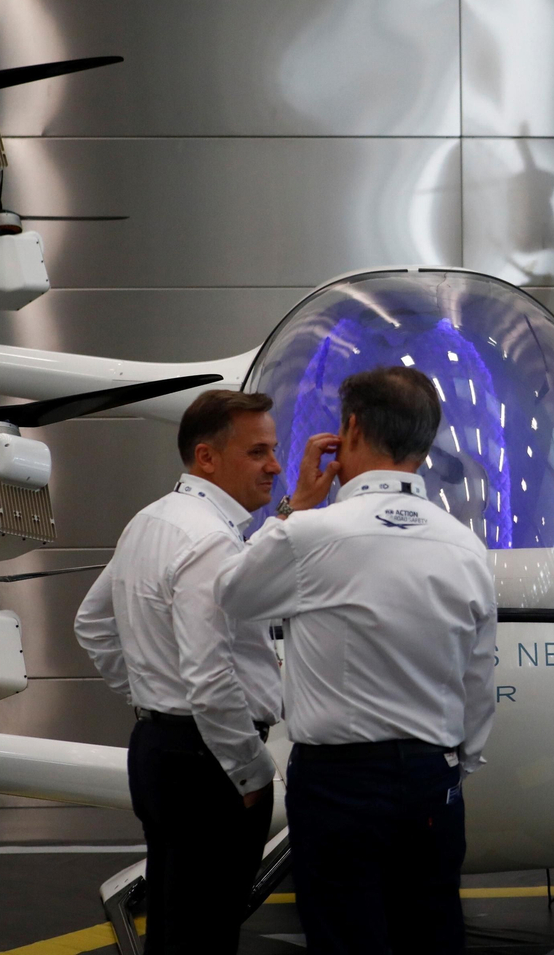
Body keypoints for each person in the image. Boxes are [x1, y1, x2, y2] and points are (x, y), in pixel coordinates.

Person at [215, 366, 496, 955]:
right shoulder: (466, 547)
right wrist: (452, 766)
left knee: (345, 941)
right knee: (433, 939)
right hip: (434, 776)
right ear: (425, 443)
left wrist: (295, 504)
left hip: (338, 783)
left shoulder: (308, 534)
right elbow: (478, 683)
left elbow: (232, 595)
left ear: (351, 430)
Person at [74, 389, 337, 954]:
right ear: (207, 457)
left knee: (177, 925)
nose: (274, 465)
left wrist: (152, 695)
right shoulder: (209, 539)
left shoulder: (152, 521)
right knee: (206, 935)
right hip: (210, 767)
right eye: (258, 452)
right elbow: (210, 675)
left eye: (274, 450)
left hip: (161, 751)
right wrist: (250, 771)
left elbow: (91, 624)